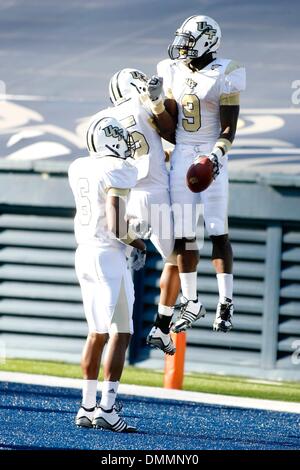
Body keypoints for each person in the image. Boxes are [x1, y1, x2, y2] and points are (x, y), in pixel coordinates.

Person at [145, 14, 246, 350]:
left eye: (189, 41)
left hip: (211, 154)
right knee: (184, 235)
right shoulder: (170, 69)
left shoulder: (226, 72)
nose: (183, 47)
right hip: (183, 151)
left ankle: (225, 302)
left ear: (207, 40)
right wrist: (158, 103)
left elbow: (229, 130)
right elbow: (170, 128)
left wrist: (215, 157)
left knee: (217, 229)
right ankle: (190, 300)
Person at [91, 68, 176, 355]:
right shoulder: (144, 104)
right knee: (177, 260)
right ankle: (163, 326)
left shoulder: (106, 119)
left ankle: (112, 319)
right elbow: (170, 134)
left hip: (127, 195)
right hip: (155, 193)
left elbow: (135, 152)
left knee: (122, 262)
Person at [68, 116, 146, 432]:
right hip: (108, 256)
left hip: (83, 252)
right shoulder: (118, 169)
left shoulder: (79, 166)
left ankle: (87, 407)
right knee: (120, 332)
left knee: (97, 333)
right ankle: (107, 409)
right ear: (110, 141)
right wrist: (138, 240)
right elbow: (115, 224)